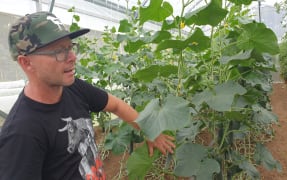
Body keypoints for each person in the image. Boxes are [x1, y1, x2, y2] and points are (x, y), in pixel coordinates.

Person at [0, 11, 175, 180]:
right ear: (27, 62)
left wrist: (150, 132)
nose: (72, 57)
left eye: (70, 47)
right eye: (59, 51)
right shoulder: (21, 133)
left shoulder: (73, 87)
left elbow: (116, 106)